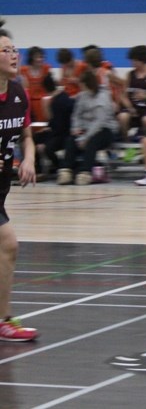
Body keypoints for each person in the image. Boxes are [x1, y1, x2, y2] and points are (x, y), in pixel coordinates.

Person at [0, 26, 38, 342]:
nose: (14, 55)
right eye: (6, 50)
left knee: (7, 247)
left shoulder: (18, 93)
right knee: (8, 244)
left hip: (1, 188)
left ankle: (3, 319)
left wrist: (29, 159)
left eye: (15, 49)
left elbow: (26, 136)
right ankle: (4, 319)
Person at [57, 71, 118, 186]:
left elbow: (99, 122)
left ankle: (85, 172)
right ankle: (66, 170)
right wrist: (76, 129)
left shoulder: (103, 97)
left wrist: (85, 138)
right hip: (85, 128)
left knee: (92, 142)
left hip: (103, 129)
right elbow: (76, 114)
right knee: (71, 140)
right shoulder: (82, 96)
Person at [117, 45, 146, 142]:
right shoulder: (130, 75)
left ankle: (145, 141)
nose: (132, 63)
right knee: (123, 117)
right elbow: (123, 96)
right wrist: (130, 108)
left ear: (142, 60)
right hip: (133, 106)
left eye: (134, 61)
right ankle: (126, 142)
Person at [19, 46, 51, 124]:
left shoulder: (46, 68)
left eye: (42, 57)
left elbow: (50, 87)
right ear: (31, 58)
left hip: (43, 104)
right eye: (37, 57)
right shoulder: (23, 70)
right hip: (29, 104)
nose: (40, 59)